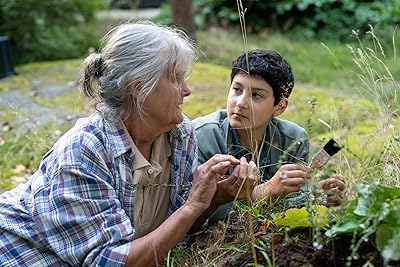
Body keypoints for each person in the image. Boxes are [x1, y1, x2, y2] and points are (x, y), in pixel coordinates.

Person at [0, 22, 259, 267]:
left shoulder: (180, 134)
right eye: (177, 78)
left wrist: (212, 199)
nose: (187, 90)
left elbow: (174, 230)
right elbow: (109, 262)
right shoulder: (85, 150)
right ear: (139, 87)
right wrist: (192, 207)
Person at [192, 49, 345, 223]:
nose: (240, 103)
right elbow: (195, 216)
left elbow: (291, 205)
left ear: (280, 106)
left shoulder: (293, 139)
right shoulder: (201, 135)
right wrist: (266, 191)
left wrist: (316, 197)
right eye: (237, 89)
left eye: (256, 95)